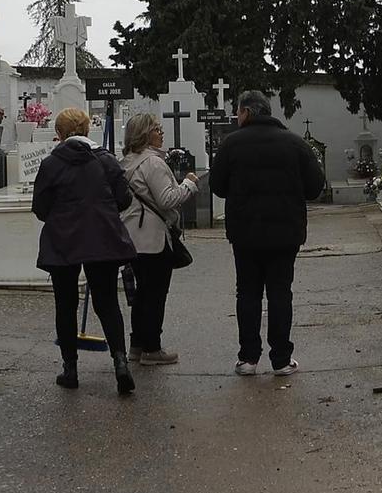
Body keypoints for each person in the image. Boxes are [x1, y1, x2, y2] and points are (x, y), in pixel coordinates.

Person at [209, 89, 326, 376]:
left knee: (247, 293)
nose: (237, 118)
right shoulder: (295, 143)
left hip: (245, 233)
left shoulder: (231, 144)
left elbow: (217, 186)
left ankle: (248, 358)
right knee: (280, 292)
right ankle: (282, 359)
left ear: (247, 112)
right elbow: (314, 187)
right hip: (285, 233)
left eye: (238, 112)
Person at [32, 107, 138, 395]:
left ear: (60, 134)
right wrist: (101, 213)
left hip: (63, 240)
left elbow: (40, 208)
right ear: (87, 130)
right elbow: (124, 199)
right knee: (107, 302)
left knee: (65, 304)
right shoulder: (105, 161)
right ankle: (120, 362)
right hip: (101, 237)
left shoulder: (51, 165)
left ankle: (70, 369)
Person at [118, 111, 199, 365]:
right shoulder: (153, 163)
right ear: (144, 135)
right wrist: (188, 184)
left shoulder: (127, 163)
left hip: (133, 236)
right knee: (155, 294)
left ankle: (137, 346)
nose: (161, 133)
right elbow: (167, 199)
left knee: (142, 295)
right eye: (156, 129)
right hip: (153, 237)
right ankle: (153, 348)